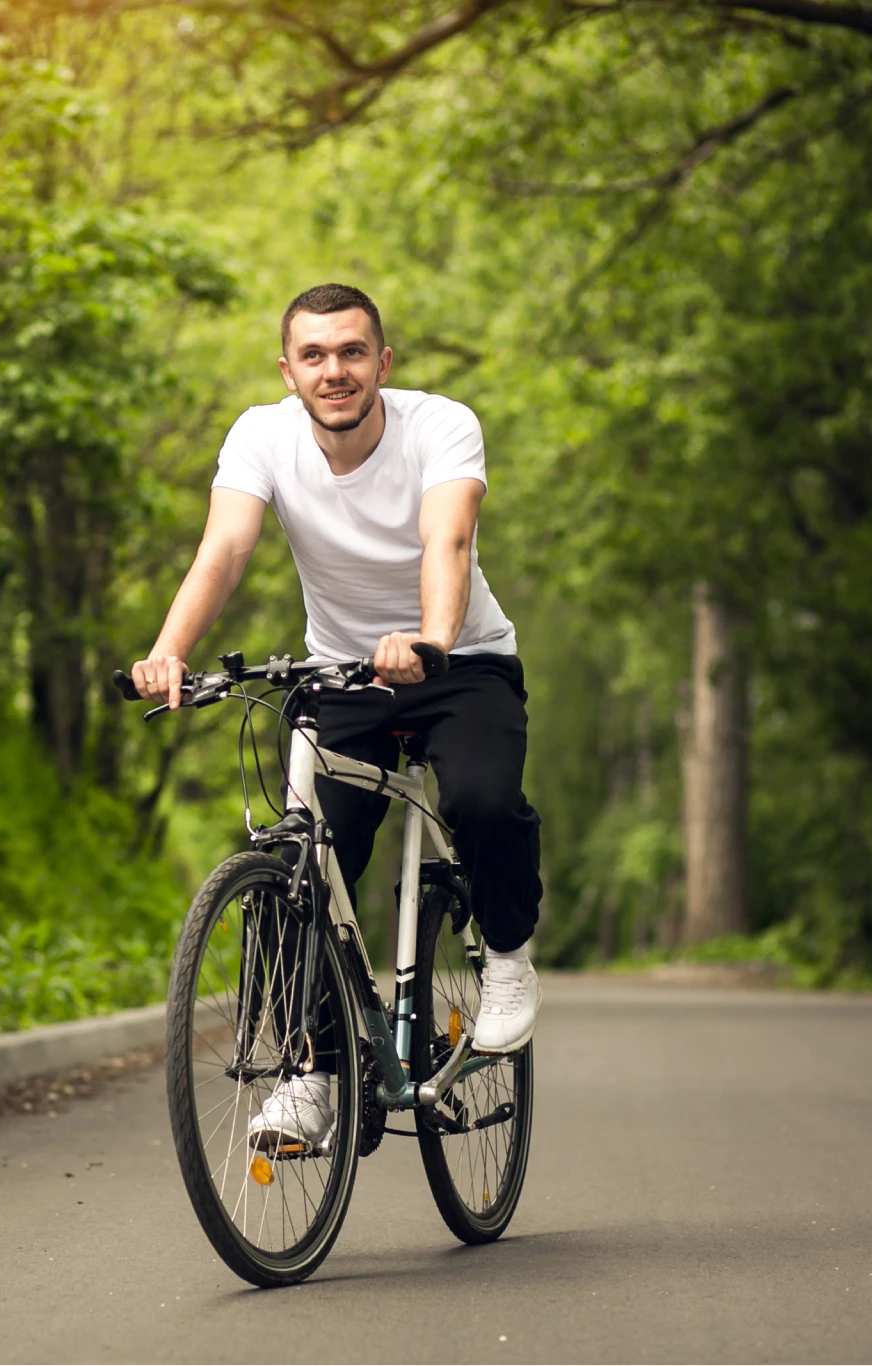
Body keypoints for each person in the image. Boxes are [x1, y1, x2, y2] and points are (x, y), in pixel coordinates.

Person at [129, 283, 543, 1151]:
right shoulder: (261, 435)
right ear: (289, 372)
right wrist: (168, 650)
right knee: (296, 869)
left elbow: (449, 540)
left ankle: (505, 957)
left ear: (383, 364)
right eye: (314, 356)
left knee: (480, 800)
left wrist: (430, 640)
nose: (335, 370)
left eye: (352, 352)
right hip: (343, 674)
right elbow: (226, 549)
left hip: (459, 664)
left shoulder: (440, 425)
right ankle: (311, 1072)